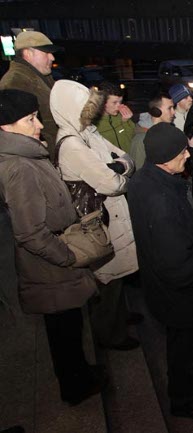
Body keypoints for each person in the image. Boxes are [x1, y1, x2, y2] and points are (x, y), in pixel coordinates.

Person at [0, 89, 105, 405]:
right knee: (63, 331)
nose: (38, 125)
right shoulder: (18, 166)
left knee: (69, 328)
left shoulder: (27, 155)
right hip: (50, 264)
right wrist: (68, 256)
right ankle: (75, 387)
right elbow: (30, 233)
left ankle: (81, 375)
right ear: (6, 126)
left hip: (54, 259)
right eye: (29, 119)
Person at [127, 123, 193, 419]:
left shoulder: (145, 181)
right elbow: (177, 266)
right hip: (182, 295)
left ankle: (188, 379)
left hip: (165, 291)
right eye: (182, 152)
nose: (188, 156)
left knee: (183, 345)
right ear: (165, 157)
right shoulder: (162, 201)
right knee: (184, 348)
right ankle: (184, 401)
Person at [52, 80, 139, 351]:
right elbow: (113, 184)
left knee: (117, 274)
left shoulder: (87, 131)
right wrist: (122, 173)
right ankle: (109, 334)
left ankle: (120, 319)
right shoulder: (72, 145)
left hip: (112, 213)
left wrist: (119, 167)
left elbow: (125, 158)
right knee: (108, 277)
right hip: (99, 218)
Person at [0, 31, 63, 159]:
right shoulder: (15, 81)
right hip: (41, 157)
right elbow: (18, 132)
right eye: (46, 52)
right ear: (28, 53)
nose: (52, 57)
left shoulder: (43, 76)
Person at [129, 93, 175, 170]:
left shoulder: (168, 130)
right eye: (169, 108)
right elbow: (138, 171)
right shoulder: (141, 140)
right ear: (156, 111)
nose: (174, 112)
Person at [95, 81, 135, 153]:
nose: (119, 106)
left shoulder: (121, 115)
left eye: (120, 102)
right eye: (114, 102)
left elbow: (132, 138)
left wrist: (125, 121)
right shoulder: (93, 123)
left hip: (128, 159)